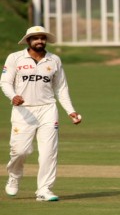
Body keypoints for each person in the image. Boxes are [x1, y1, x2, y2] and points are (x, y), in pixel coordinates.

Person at [2, 26, 82, 202]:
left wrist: (71, 111)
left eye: (42, 38)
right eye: (35, 38)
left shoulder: (54, 60)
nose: (40, 41)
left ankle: (44, 189)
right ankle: (14, 176)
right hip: (24, 110)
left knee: (49, 152)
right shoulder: (15, 58)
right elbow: (5, 82)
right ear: (28, 40)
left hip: (48, 109)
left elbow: (61, 88)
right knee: (20, 151)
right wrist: (13, 96)